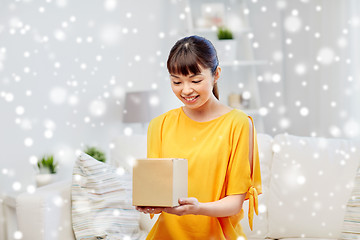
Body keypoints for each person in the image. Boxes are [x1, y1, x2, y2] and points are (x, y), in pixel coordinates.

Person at [136, 35, 262, 240]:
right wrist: (149, 202)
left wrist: (197, 208)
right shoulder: (159, 125)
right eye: (176, 81)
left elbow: (234, 203)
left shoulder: (238, 124)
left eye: (196, 80)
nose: (186, 90)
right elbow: (160, 198)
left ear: (216, 74)